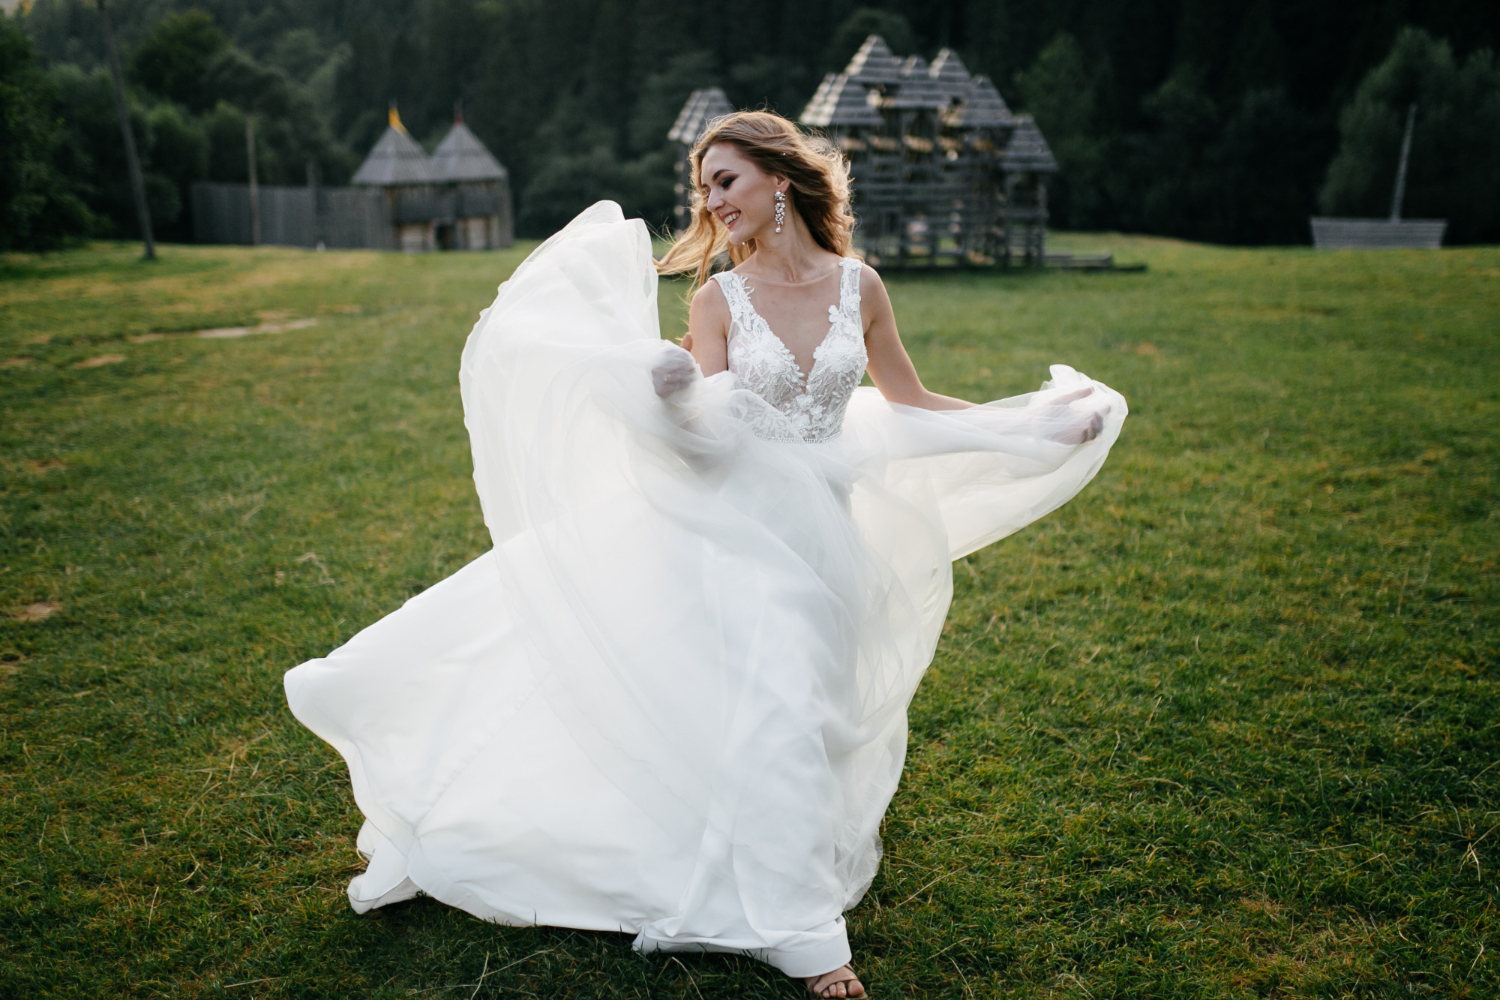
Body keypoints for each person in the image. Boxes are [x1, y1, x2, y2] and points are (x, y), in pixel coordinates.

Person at [284, 110, 1125, 999]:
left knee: (803, 706)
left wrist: (1027, 427)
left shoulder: (861, 286)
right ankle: (807, 938)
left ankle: (768, 849)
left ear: (780, 180)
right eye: (703, 187)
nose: (712, 201)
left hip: (827, 527)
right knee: (778, 704)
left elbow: (910, 401)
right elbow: (707, 441)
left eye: (725, 180)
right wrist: (674, 400)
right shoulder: (716, 301)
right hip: (736, 531)